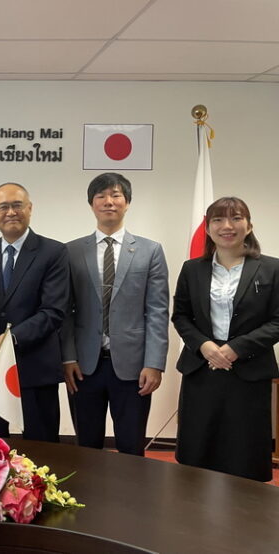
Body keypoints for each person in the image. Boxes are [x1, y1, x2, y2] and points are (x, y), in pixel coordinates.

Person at [172, 197, 279, 481]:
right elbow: (180, 316)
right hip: (202, 369)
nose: (227, 226)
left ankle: (244, 508)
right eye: (218, 220)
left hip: (248, 371)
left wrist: (237, 348)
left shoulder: (272, 268)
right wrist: (204, 346)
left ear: (249, 225)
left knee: (244, 450)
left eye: (236, 218)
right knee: (198, 448)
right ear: (208, 229)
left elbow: (277, 321)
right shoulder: (192, 269)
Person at [61, 172, 168, 456]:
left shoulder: (150, 251)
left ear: (127, 202)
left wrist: (154, 363)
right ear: (92, 204)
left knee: (131, 446)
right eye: (101, 196)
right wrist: (68, 358)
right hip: (84, 367)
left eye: (116, 195)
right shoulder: (71, 251)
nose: (109, 202)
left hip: (134, 367)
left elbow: (157, 311)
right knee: (86, 447)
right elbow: (65, 311)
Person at [0, 183, 69, 441]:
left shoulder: (54, 252)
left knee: (42, 448)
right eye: (3, 207)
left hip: (35, 366)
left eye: (17, 205)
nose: (11, 212)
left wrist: (13, 338)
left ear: (30, 208)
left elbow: (54, 311)